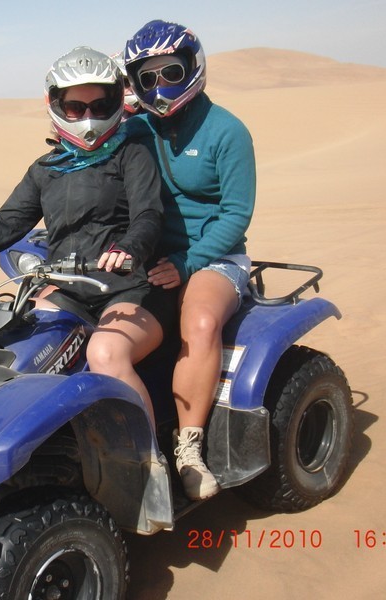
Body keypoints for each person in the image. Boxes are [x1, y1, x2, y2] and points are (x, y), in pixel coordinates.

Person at [0, 46, 167, 422]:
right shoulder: (46, 169)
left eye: (100, 106)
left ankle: (147, 451)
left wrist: (129, 247)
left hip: (129, 287)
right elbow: (2, 228)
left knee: (106, 355)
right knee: (20, 354)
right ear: (56, 105)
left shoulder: (132, 155)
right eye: (75, 108)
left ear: (116, 102)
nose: (88, 117)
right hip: (69, 291)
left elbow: (148, 215)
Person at [122, 20, 257, 500]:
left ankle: (189, 450)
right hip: (151, 255)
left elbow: (236, 214)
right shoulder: (136, 130)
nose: (160, 86)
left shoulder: (227, 130)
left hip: (213, 255)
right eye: (147, 78)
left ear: (192, 68)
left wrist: (188, 261)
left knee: (199, 322)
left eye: (171, 72)